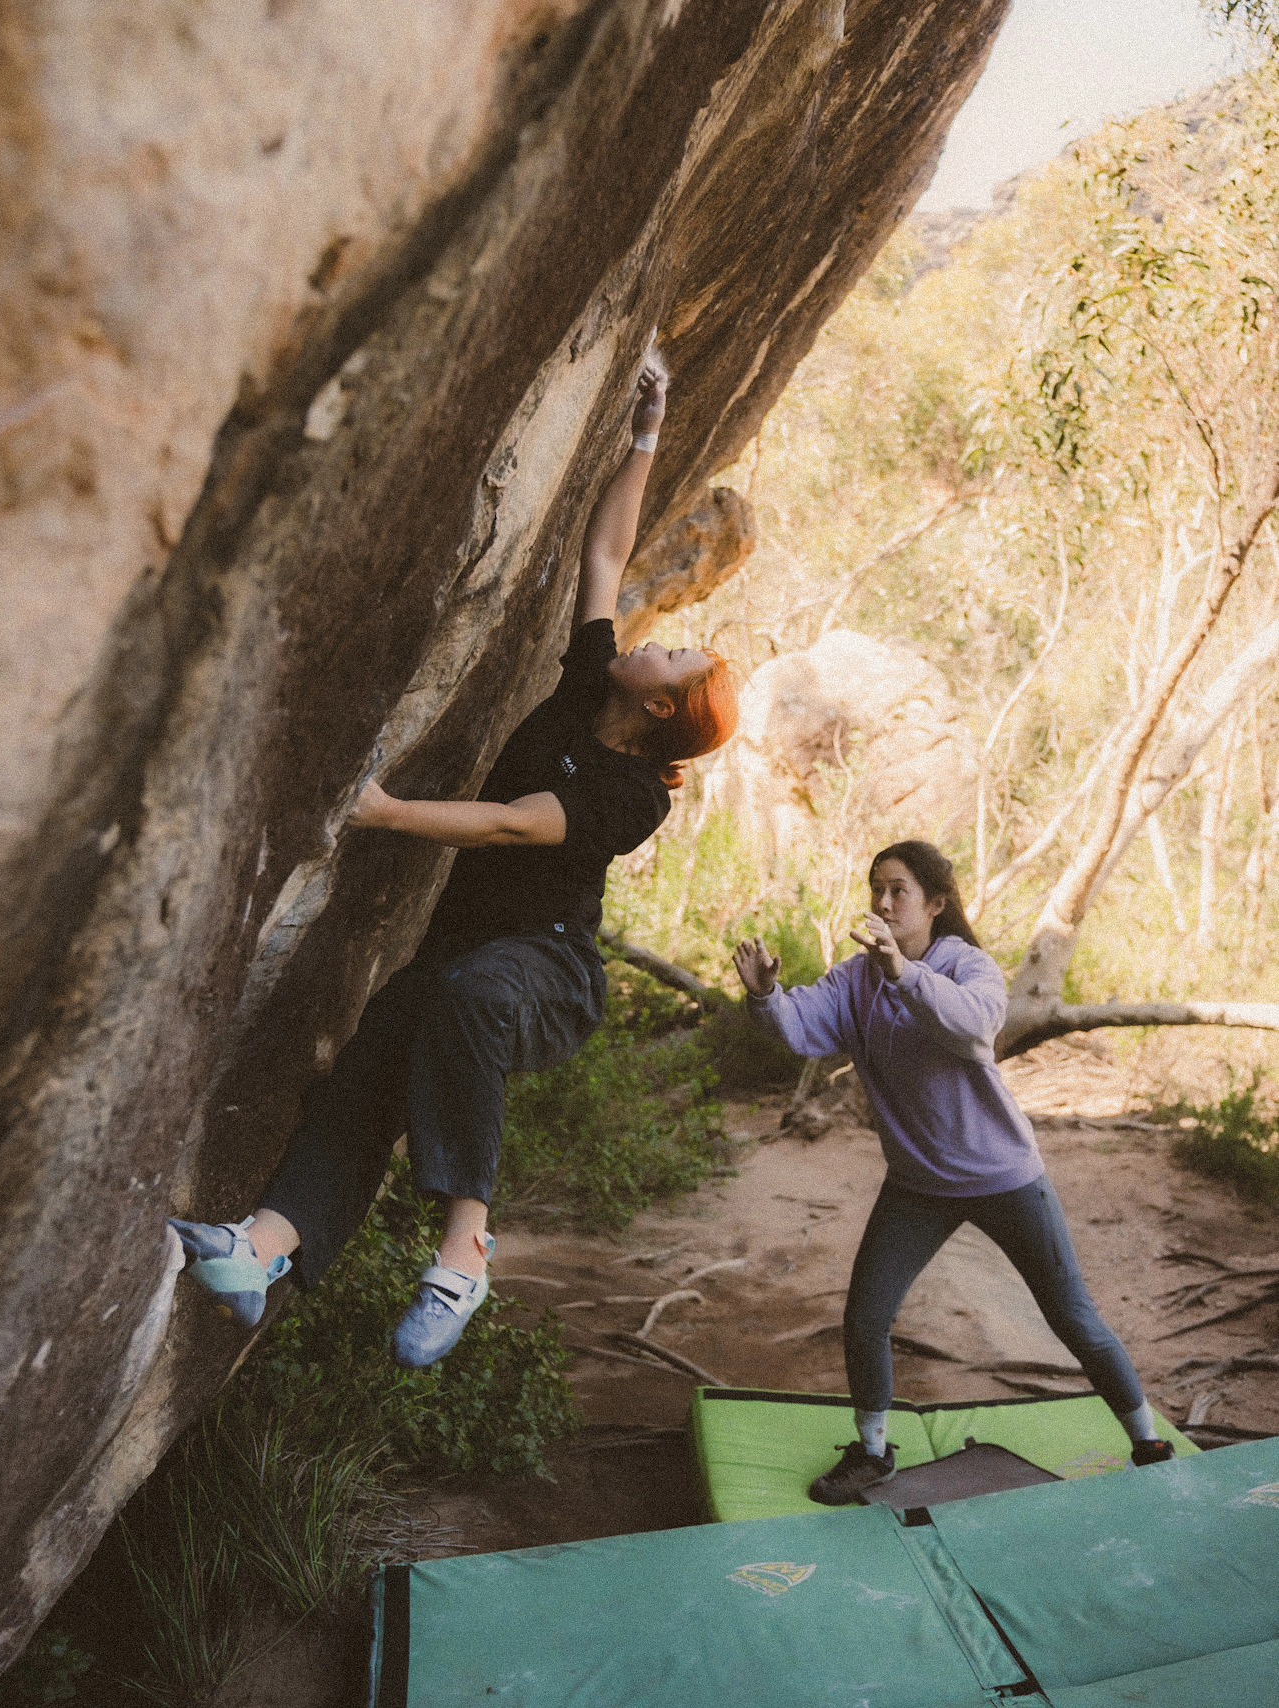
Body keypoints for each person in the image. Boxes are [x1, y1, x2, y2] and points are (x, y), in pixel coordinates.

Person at [171, 358, 738, 1368]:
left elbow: (515, 826)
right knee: (363, 1083)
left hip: (547, 971)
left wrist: (384, 809)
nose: (659, 643)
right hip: (460, 952)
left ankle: (464, 1254)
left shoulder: (633, 795)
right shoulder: (585, 688)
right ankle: (255, 1252)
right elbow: (604, 553)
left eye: (675, 656)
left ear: (663, 709)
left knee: (471, 996)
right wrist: (648, 432)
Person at [733, 839, 1174, 1504]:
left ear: (935, 904)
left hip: (1005, 1178)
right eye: (876, 887)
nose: (883, 902)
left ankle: (1148, 1443)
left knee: (1072, 1317)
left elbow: (973, 1027)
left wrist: (904, 975)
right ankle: (874, 1452)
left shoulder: (969, 967)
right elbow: (800, 1028)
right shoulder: (856, 980)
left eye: (899, 890)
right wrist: (766, 993)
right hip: (917, 1186)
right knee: (865, 1316)